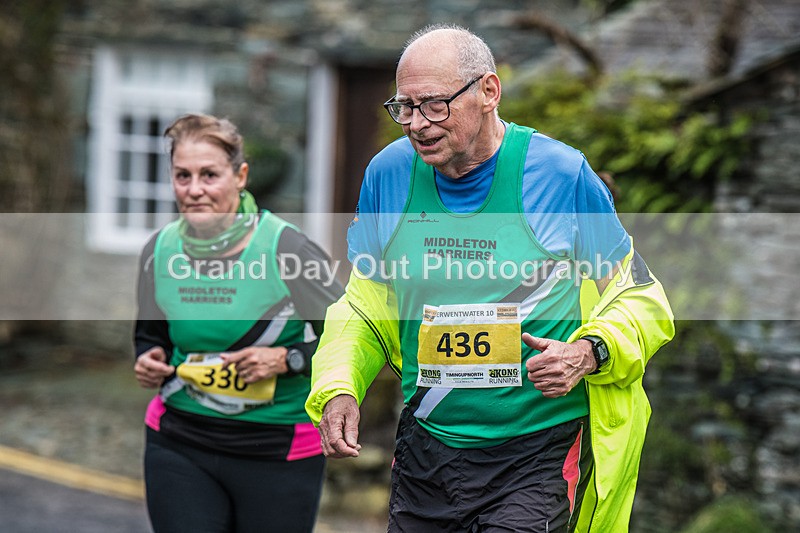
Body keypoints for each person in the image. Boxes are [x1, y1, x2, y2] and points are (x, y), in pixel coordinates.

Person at [305, 24, 675, 532]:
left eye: (434, 104)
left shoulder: (560, 175)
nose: (416, 124)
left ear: (488, 91)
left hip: (535, 453)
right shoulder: (387, 175)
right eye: (404, 107)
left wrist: (590, 350)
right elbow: (364, 306)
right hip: (427, 446)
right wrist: (338, 385)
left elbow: (639, 296)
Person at [134, 113, 343, 533]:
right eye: (182, 176)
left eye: (209, 175)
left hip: (278, 449)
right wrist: (147, 357)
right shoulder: (160, 250)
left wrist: (288, 359)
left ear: (240, 175)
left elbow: (351, 334)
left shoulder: (287, 248)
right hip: (180, 440)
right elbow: (149, 334)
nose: (194, 190)